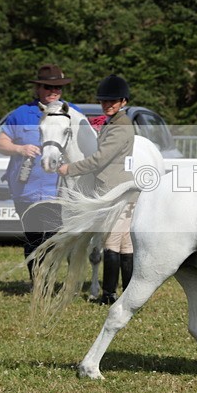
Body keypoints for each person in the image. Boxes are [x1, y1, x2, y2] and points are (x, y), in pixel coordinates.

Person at [0, 63, 81, 281]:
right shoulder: (21, 114)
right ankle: (37, 281)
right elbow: (0, 144)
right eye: (47, 87)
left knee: (53, 239)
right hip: (27, 190)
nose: (53, 92)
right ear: (37, 88)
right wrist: (19, 148)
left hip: (59, 190)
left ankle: (49, 279)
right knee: (33, 238)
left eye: (58, 88)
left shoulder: (72, 114)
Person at [59, 75, 136, 305]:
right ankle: (127, 295)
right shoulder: (113, 123)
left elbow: (99, 160)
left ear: (123, 102)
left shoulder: (120, 127)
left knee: (113, 243)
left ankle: (109, 296)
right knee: (124, 244)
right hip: (120, 188)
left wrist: (69, 168)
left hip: (115, 190)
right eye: (104, 101)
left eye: (112, 101)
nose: (107, 105)